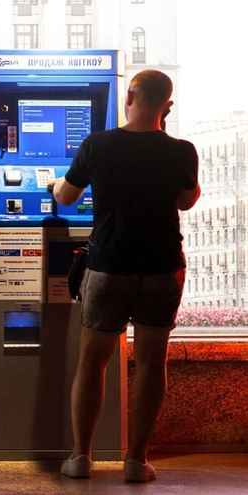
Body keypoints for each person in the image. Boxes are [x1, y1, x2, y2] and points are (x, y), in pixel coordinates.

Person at [50, 70, 200, 483]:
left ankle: (81, 457)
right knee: (151, 364)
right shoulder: (182, 151)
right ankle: (136, 461)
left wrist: (54, 183)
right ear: (167, 106)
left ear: (129, 97)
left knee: (92, 361)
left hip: (108, 266)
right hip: (161, 268)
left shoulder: (98, 145)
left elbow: (66, 196)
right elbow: (186, 201)